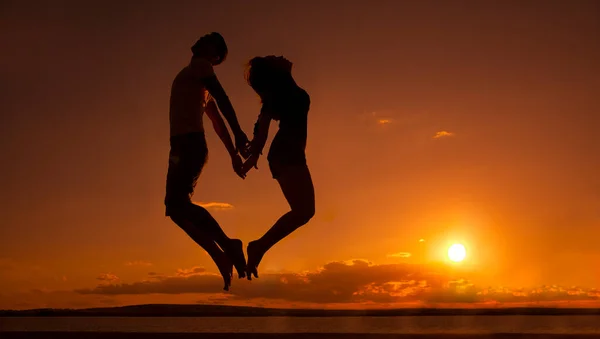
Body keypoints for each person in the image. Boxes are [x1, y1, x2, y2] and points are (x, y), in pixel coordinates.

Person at [164, 32, 249, 290]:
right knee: (174, 208)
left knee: (177, 204)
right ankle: (221, 254)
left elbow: (223, 99)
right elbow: (216, 122)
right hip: (181, 147)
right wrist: (233, 153)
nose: (202, 37)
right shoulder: (195, 75)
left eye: (210, 39)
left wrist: (239, 135)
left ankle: (226, 247)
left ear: (214, 56)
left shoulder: (201, 65)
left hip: (188, 144)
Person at [241, 56, 315, 280]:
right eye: (275, 58)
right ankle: (259, 247)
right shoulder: (279, 94)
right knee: (304, 211)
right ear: (276, 70)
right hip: (285, 153)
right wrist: (253, 154)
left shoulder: (289, 91)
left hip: (290, 154)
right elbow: (262, 126)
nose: (281, 56)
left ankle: (259, 246)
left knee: (304, 211)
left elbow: (263, 123)